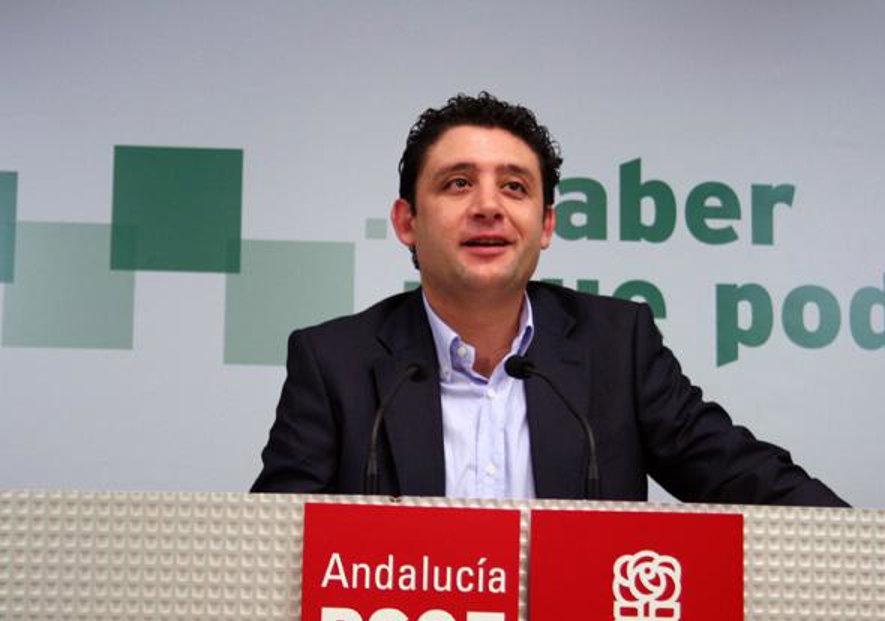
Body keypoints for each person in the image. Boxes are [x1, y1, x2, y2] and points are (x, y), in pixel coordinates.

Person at [251, 92, 846, 506]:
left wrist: (871, 545)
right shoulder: (334, 362)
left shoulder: (617, 346)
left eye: (515, 186)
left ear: (545, 226)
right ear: (407, 222)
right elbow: (272, 546)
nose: (488, 206)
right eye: (458, 183)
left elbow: (738, 474)